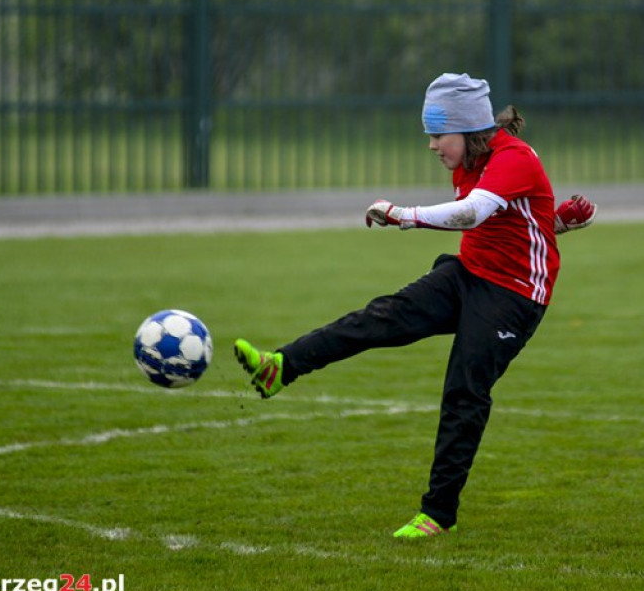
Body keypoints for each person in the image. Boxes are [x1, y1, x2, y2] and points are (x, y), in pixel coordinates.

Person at [234, 72, 596, 538]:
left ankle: (438, 514)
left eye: (438, 134)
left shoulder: (514, 157)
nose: (431, 146)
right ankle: (280, 366)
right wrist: (556, 222)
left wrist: (402, 215)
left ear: (469, 131)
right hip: (469, 273)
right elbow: (512, 220)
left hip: (514, 296)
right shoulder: (468, 162)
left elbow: (473, 213)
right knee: (379, 316)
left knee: (464, 392)